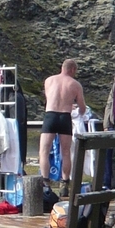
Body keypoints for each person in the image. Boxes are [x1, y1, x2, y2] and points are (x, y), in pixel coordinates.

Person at [39, 59, 87, 189]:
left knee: (44, 151)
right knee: (66, 152)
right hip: (65, 117)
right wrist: (78, 110)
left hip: (50, 116)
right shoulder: (75, 84)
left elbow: (50, 98)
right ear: (73, 69)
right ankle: (65, 183)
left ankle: (45, 181)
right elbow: (82, 107)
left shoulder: (49, 80)